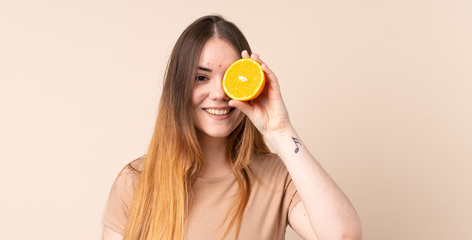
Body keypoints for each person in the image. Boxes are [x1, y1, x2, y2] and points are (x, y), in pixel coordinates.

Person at [102, 15, 362, 240]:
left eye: (230, 78)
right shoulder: (136, 181)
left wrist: (280, 130)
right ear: (178, 88)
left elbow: (344, 236)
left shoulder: (277, 178)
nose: (219, 93)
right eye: (201, 77)